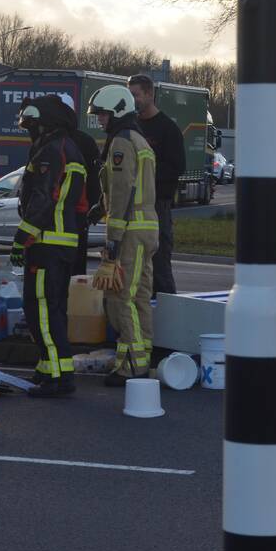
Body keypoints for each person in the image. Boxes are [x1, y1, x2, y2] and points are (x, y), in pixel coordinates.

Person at [11, 94, 88, 397]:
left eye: (32, 126)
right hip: (62, 243)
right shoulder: (70, 148)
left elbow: (43, 198)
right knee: (53, 310)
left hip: (46, 243)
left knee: (41, 310)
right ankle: (50, 367)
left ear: (44, 124)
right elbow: (77, 204)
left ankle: (57, 377)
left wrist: (22, 238)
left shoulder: (51, 152)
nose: (30, 131)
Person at [87, 85, 158, 386]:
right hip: (146, 229)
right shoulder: (138, 139)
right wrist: (99, 208)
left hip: (129, 231)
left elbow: (122, 191)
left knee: (120, 297)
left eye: (103, 114)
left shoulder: (121, 142)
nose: (100, 120)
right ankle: (141, 359)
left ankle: (131, 366)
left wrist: (112, 238)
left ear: (117, 111)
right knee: (139, 297)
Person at [127, 74, 184, 297]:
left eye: (136, 95)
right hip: (132, 208)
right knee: (135, 270)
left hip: (157, 206)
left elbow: (176, 167)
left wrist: (144, 175)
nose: (132, 100)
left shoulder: (168, 129)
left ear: (150, 94)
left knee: (159, 268)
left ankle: (168, 311)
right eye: (129, 95)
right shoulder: (131, 127)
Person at [58, 94, 103, 276]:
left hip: (67, 214)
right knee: (75, 267)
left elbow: (94, 179)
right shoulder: (86, 141)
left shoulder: (47, 141)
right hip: (77, 214)